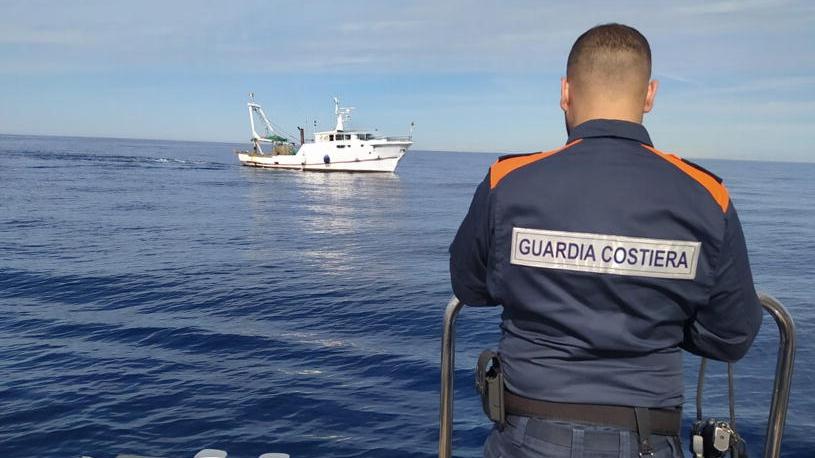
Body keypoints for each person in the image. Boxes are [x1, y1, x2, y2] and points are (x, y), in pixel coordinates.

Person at [449, 23, 763, 458]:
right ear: (650, 95)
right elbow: (732, 336)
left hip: (528, 434)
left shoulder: (508, 183)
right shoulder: (707, 196)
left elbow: (469, 286)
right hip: (648, 438)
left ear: (565, 92)